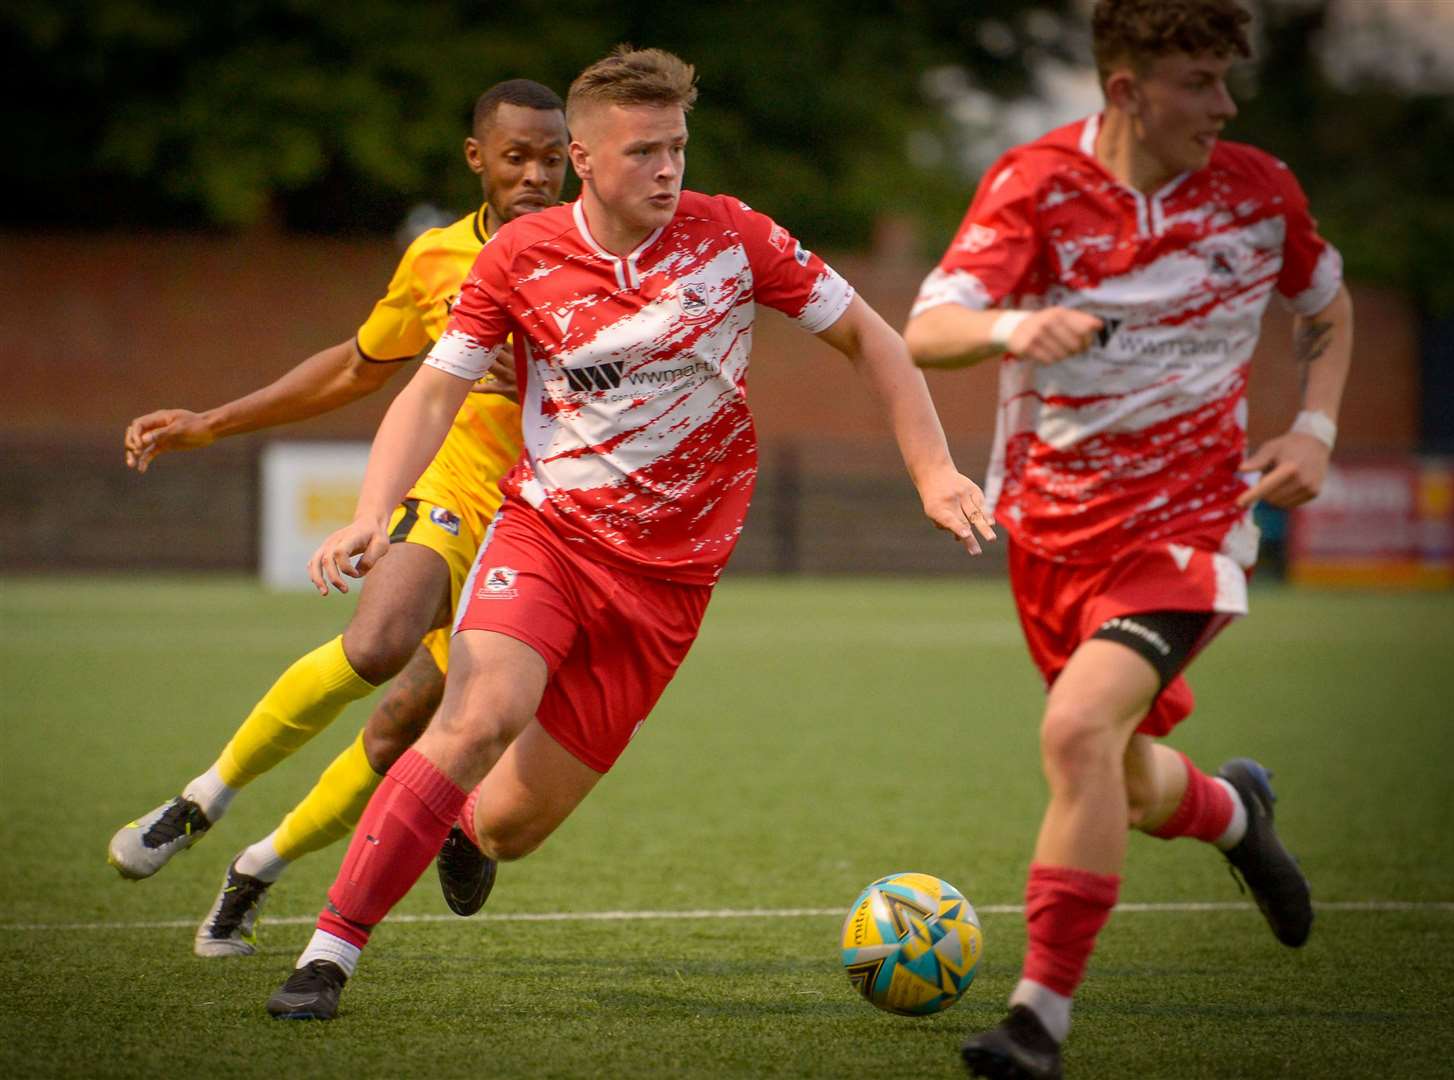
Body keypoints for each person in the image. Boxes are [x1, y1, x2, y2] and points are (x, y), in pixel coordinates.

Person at [263, 44, 993, 1021]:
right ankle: (328, 954)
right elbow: (431, 390)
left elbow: (874, 338)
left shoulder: (733, 239)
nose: (666, 170)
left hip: (666, 590)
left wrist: (933, 469)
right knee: (476, 716)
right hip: (546, 539)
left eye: (677, 148)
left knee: (515, 827)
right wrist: (370, 512)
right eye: (644, 151)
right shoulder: (518, 258)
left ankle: (465, 830)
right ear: (583, 158)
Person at [905, 1, 1353, 1076]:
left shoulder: (1259, 192)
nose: (1224, 105)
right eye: (1198, 83)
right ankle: (1236, 816)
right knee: (1121, 770)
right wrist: (1016, 324)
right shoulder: (1033, 186)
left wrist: (1317, 426)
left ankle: (1037, 1022)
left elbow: (1326, 308)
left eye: (1223, 81)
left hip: (1191, 528)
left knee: (1072, 737)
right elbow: (928, 328)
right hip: (1053, 533)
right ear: (1124, 90)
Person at [106, 79, 570, 958]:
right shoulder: (436, 258)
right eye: (517, 158)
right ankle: (202, 797)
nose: (536, 176)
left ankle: (258, 868)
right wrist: (212, 421)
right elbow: (357, 368)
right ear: (478, 159)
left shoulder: (599, 257)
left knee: (402, 730)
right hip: (457, 489)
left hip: (546, 526)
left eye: (553, 159)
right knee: (375, 641)